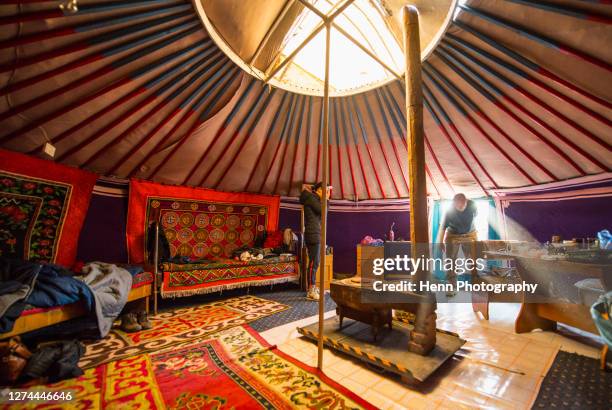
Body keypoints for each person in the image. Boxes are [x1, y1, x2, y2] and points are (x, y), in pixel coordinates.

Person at [437, 193, 478, 289]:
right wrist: (440, 242)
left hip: (469, 234)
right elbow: (442, 227)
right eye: (457, 206)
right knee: (450, 260)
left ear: (466, 202)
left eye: (462, 205)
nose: (460, 208)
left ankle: (475, 282)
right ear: (454, 204)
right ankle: (452, 285)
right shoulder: (448, 212)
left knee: (473, 258)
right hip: (453, 235)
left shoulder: (472, 205)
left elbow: (475, 215)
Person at [299, 182, 331, 300]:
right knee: (313, 263)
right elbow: (323, 212)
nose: (328, 193)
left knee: (315, 262)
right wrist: (326, 199)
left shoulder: (316, 199)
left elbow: (325, 213)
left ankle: (312, 287)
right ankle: (311, 290)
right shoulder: (311, 198)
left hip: (316, 234)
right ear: (319, 190)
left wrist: (326, 199)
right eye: (326, 190)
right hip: (313, 234)